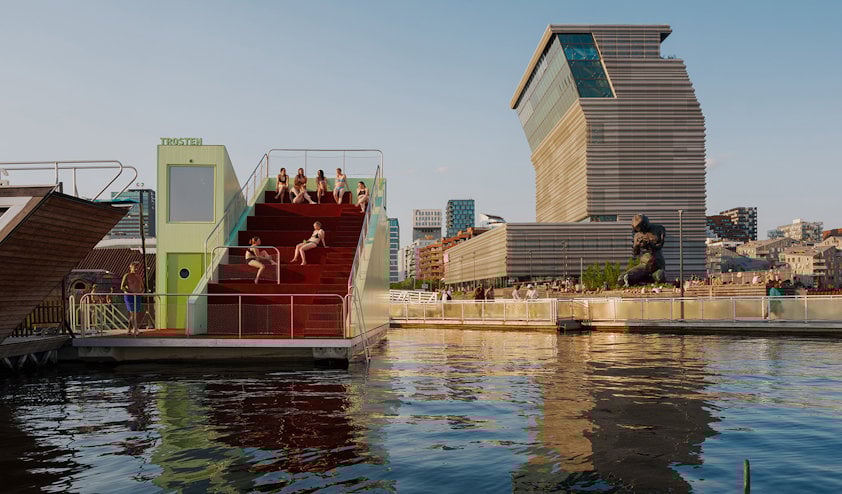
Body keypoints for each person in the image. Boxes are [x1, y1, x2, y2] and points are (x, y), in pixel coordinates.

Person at [121, 261, 145, 336]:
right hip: (129, 297)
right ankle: (136, 329)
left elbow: (143, 287)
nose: (137, 269)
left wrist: (141, 292)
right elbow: (122, 287)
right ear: (131, 267)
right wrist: (129, 292)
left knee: (135, 314)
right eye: (135, 267)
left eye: (138, 268)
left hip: (137, 296)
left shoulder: (139, 277)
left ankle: (129, 329)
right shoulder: (127, 275)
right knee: (133, 313)